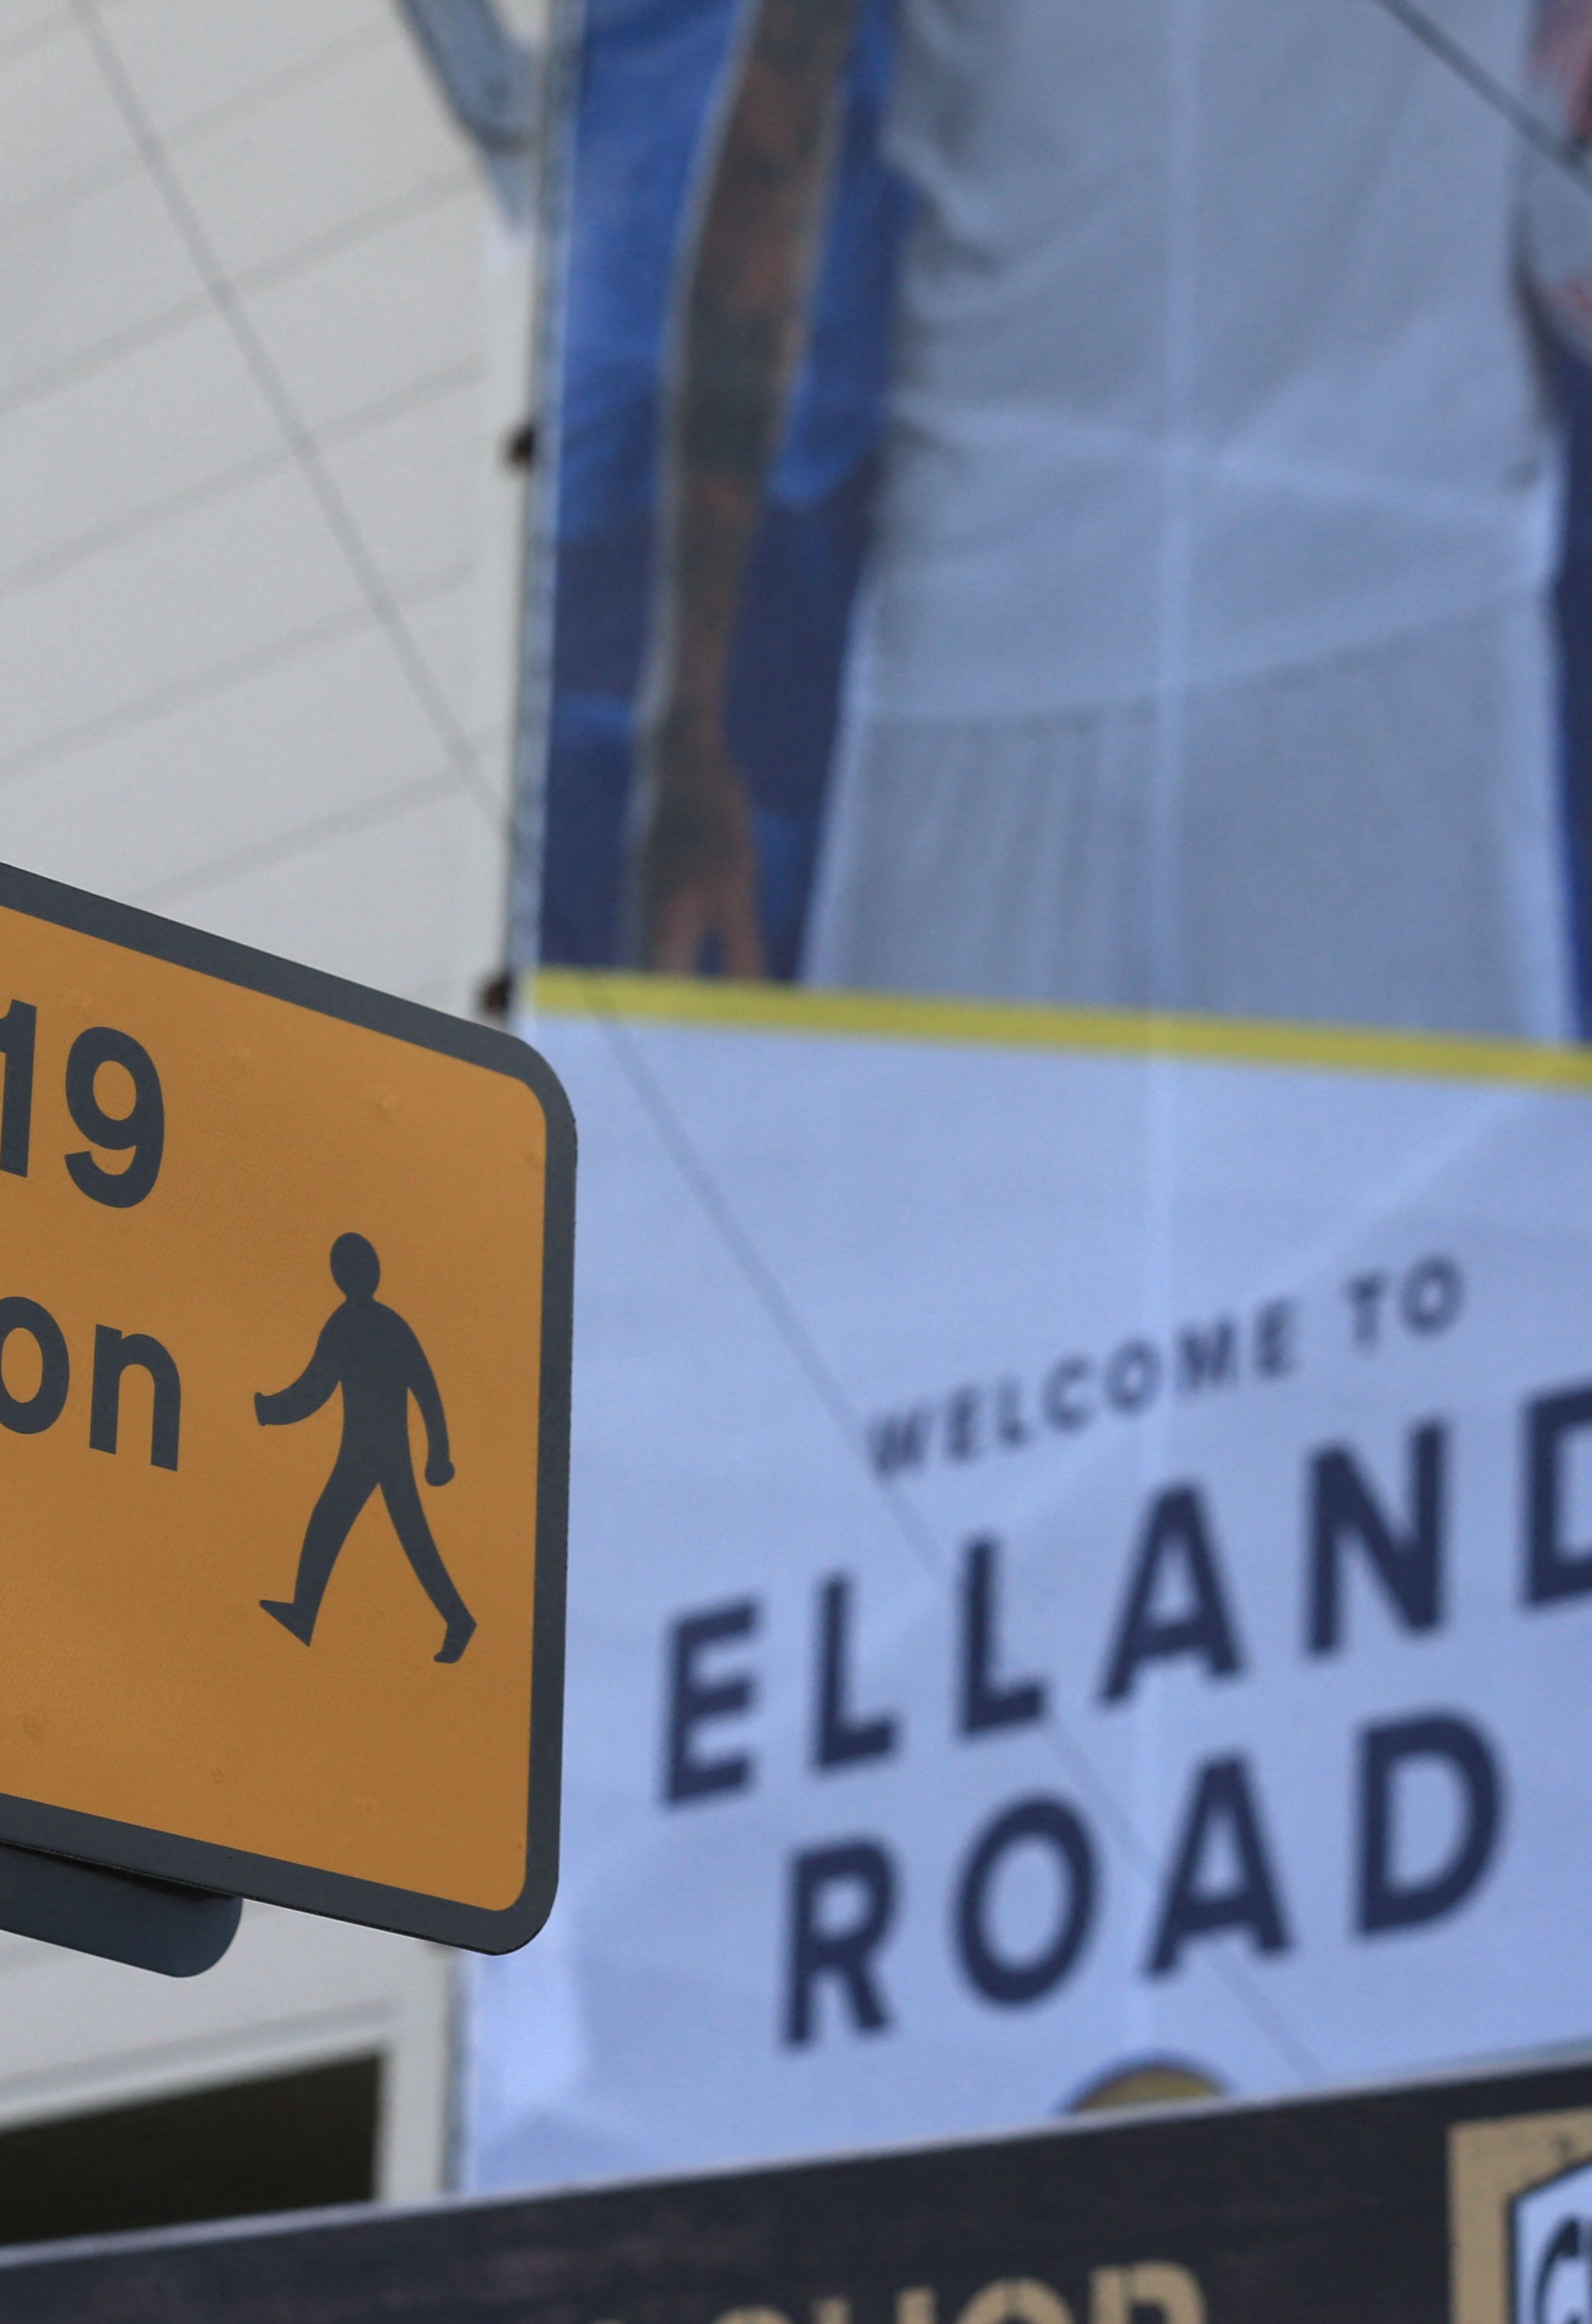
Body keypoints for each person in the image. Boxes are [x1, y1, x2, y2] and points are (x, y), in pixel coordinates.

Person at [628, 0, 1573, 1038]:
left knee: (945, 1192)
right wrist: (688, 727)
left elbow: (765, 178)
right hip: (1038, 634)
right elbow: (767, 175)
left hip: (1368, 611)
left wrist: (690, 726)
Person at [254, 1234, 475, 1664]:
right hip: (371, 1449)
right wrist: (438, 1454)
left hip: (374, 1451)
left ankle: (459, 1619)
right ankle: (304, 1612)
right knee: (347, 1527)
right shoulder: (387, 1323)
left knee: (400, 1537)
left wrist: (265, 1409)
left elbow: (315, 1390)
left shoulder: (352, 1324)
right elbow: (423, 1392)